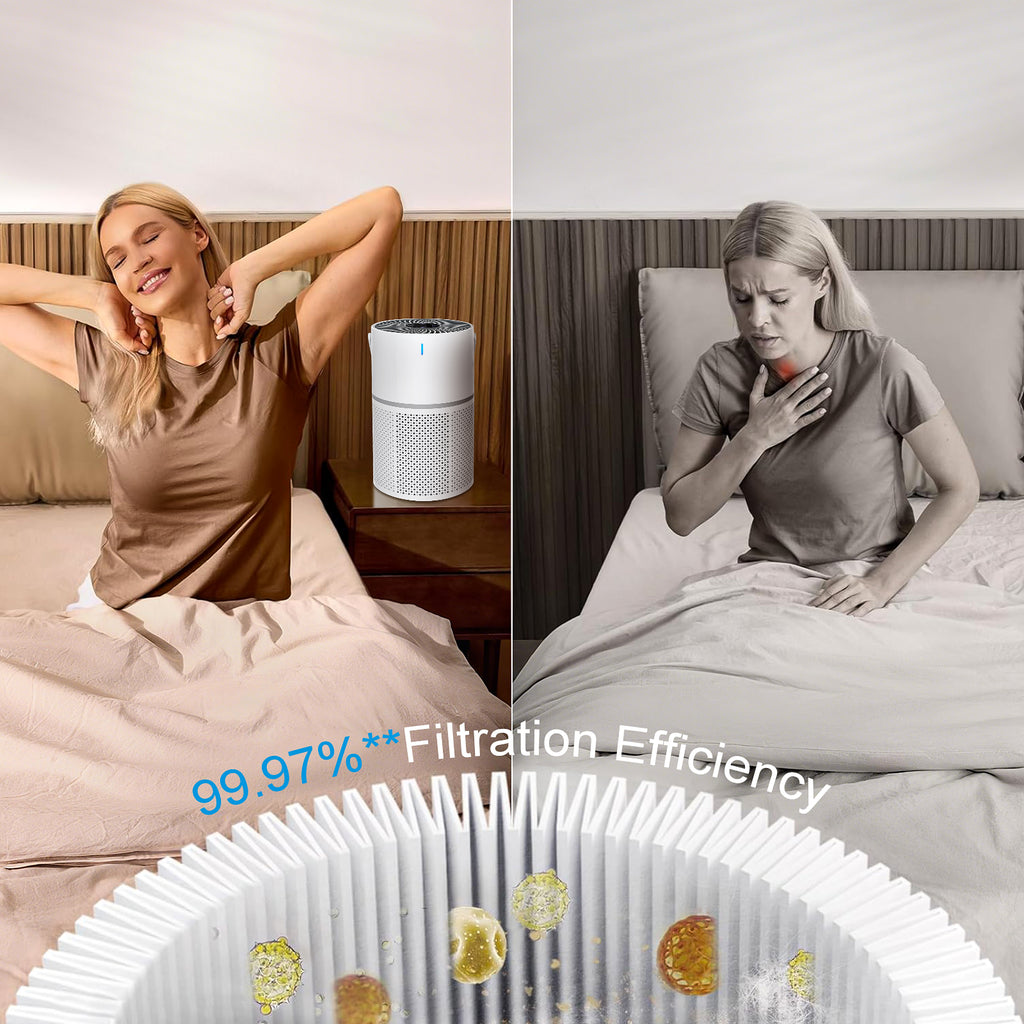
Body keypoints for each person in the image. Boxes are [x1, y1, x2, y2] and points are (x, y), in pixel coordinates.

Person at [0, 182, 403, 608]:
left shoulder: (277, 355)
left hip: (246, 630)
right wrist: (94, 293)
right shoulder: (109, 364)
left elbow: (383, 209)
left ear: (197, 235)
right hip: (123, 618)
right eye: (117, 260)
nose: (138, 261)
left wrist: (253, 267)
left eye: (150, 237)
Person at [661, 200, 979, 617]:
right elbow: (680, 517)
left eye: (778, 299)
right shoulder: (721, 370)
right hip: (771, 580)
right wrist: (753, 438)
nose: (757, 319)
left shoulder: (882, 365)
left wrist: (881, 584)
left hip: (871, 577)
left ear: (822, 283)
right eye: (741, 298)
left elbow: (961, 487)